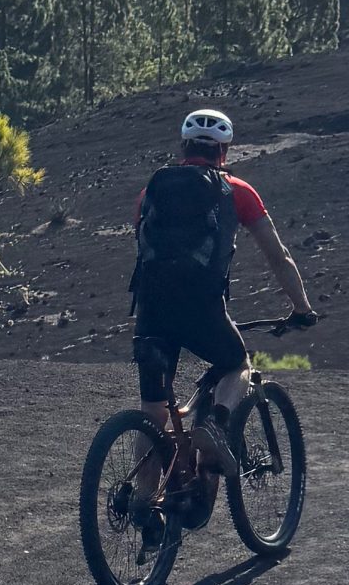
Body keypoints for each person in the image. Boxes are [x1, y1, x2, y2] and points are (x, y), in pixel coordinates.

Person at [129, 108, 316, 529]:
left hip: (151, 310)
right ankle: (215, 425)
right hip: (200, 307)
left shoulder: (150, 193)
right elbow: (278, 256)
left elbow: (144, 249)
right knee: (236, 363)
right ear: (224, 151)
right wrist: (302, 308)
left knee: (153, 411)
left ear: (183, 147)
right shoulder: (237, 191)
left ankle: (143, 504)